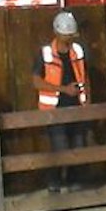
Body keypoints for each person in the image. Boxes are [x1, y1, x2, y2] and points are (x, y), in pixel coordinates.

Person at [34, 11, 91, 192]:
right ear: (57, 33)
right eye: (66, 36)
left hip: (77, 107)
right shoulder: (45, 54)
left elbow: (85, 77)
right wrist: (64, 89)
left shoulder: (78, 51)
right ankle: (55, 181)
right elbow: (36, 81)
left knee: (78, 145)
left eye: (70, 36)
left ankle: (74, 180)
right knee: (60, 147)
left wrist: (87, 99)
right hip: (54, 110)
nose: (69, 39)